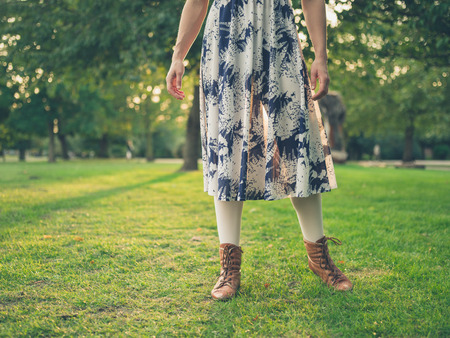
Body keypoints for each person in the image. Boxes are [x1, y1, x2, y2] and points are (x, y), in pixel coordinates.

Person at [166, 0, 352, 301]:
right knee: (229, 145)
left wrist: (321, 56)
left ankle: (319, 258)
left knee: (297, 143)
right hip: (226, 37)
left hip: (280, 35)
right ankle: (229, 268)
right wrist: (178, 56)